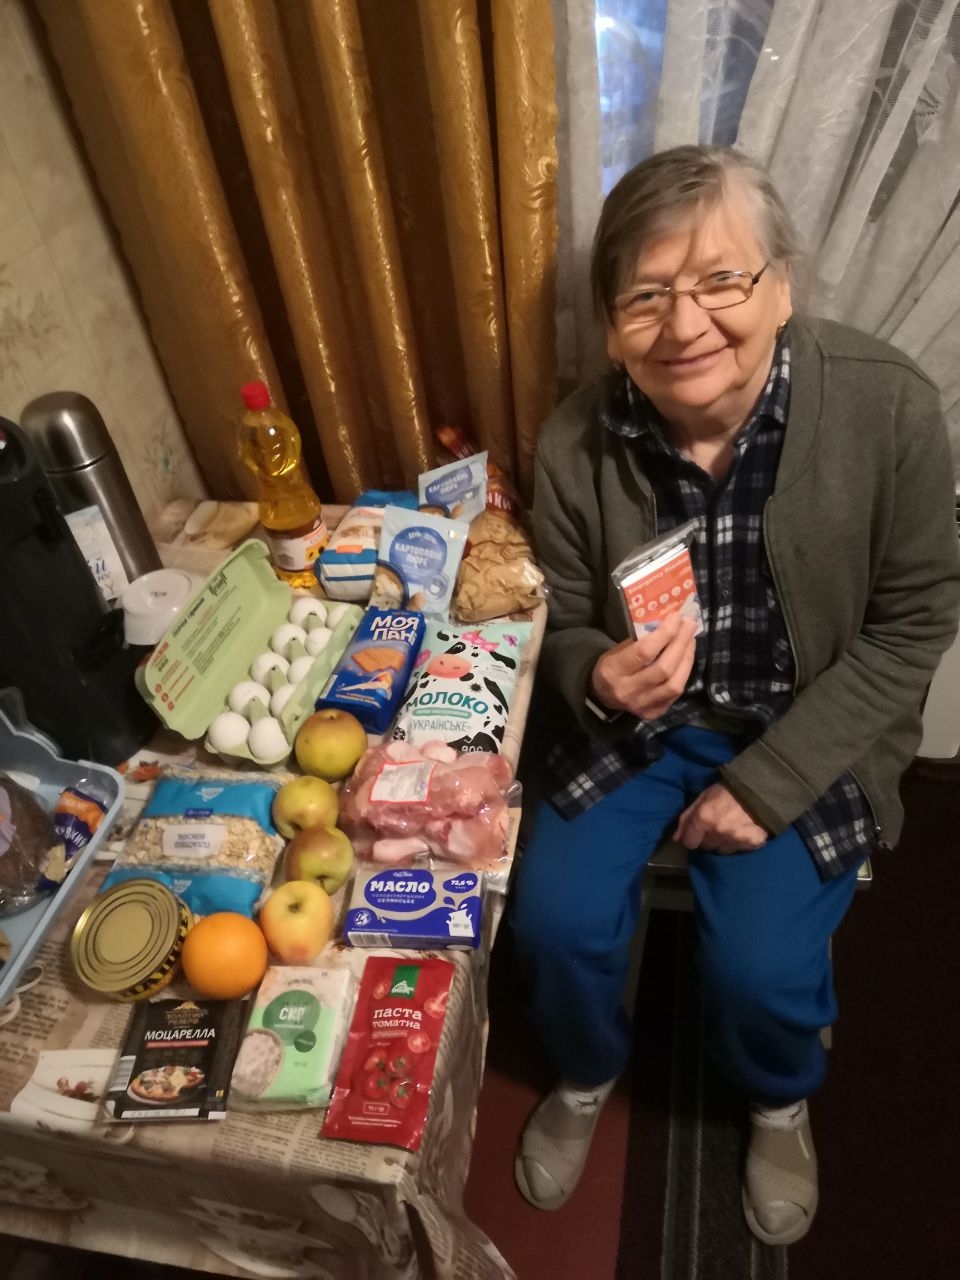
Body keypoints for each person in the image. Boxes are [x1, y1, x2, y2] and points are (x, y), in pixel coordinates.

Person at [511, 144, 960, 1245]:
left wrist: (771, 783)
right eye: (647, 295)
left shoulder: (888, 407)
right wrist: (592, 671)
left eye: (723, 280)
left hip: (808, 725)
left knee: (760, 969)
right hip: (636, 728)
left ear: (783, 286)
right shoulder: (576, 439)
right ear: (612, 323)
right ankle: (585, 1069)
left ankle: (777, 1095)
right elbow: (557, 618)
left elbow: (912, 625)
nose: (686, 325)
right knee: (551, 923)